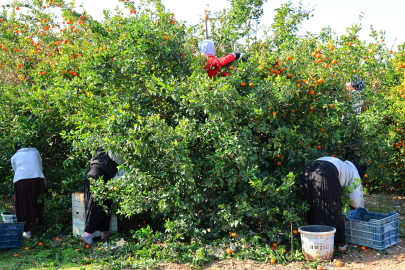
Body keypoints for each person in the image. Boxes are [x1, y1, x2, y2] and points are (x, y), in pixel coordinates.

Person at [299, 156, 367, 252]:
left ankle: (312, 241)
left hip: (308, 170)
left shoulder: (341, 164)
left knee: (312, 207)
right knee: (333, 209)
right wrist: (354, 207)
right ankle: (341, 244)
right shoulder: (354, 173)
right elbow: (355, 198)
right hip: (326, 172)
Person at [83, 149, 122, 245]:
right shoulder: (116, 149)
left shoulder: (106, 145)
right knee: (95, 205)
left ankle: (105, 234)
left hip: (100, 176)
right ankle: (87, 235)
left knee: (106, 204)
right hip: (98, 176)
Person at [11, 143, 46, 238]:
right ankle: (39, 224)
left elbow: (16, 170)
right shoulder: (35, 151)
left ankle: (27, 231)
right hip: (37, 179)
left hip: (21, 181)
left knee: (22, 204)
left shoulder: (15, 156)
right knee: (36, 201)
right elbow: (40, 165)